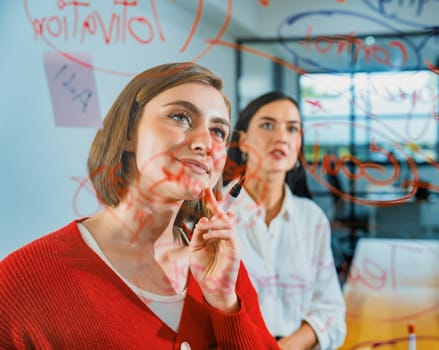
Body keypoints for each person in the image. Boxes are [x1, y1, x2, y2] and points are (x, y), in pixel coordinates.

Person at [0, 62, 279, 349]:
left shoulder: (221, 263)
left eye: (219, 131)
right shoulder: (21, 282)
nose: (206, 142)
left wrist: (225, 303)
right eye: (181, 117)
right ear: (128, 133)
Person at [223, 91, 347, 350]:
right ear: (243, 142)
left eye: (292, 129)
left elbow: (331, 313)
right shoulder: (215, 214)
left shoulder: (311, 218)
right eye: (267, 125)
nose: (281, 137)